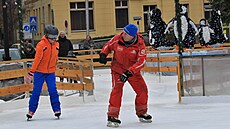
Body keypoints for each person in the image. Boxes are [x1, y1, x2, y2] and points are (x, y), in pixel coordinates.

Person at [98, 24, 152, 127]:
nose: (124, 35)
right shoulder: (118, 39)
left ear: (132, 36)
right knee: (116, 91)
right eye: (124, 32)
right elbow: (108, 45)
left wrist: (129, 72)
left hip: (132, 71)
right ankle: (112, 116)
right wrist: (103, 54)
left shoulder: (140, 44)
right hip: (117, 70)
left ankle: (142, 112)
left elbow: (141, 61)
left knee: (142, 90)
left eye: (126, 34)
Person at [25, 25, 61, 120]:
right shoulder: (41, 45)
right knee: (36, 91)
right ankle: (31, 110)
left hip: (50, 72)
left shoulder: (57, 45)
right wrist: (31, 72)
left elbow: (56, 57)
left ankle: (57, 109)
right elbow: (37, 59)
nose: (53, 40)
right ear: (47, 35)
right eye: (51, 38)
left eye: (55, 38)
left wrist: (55, 65)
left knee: (53, 90)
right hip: (39, 72)